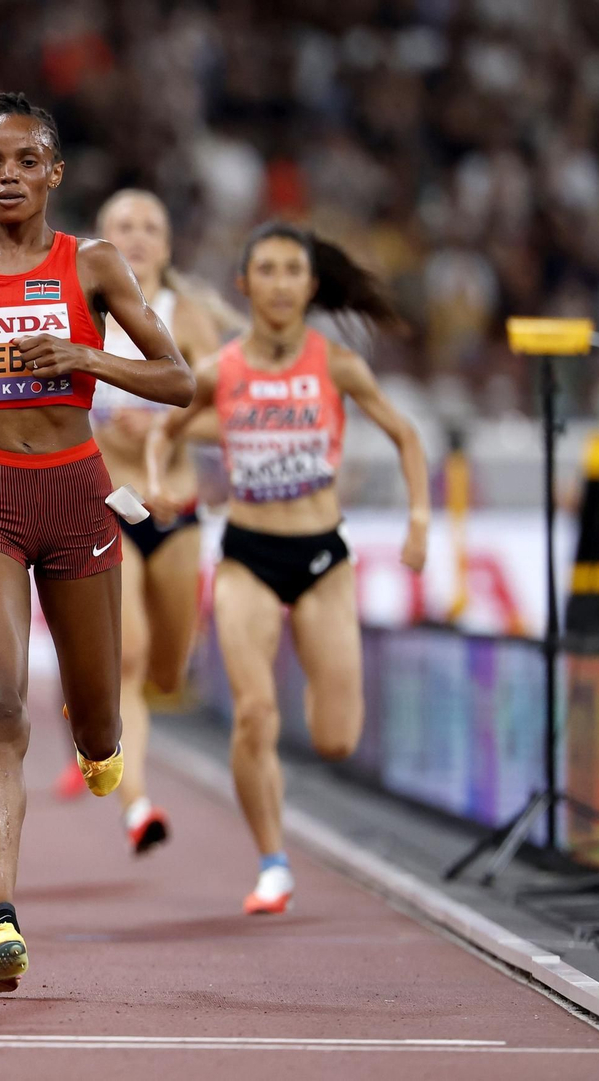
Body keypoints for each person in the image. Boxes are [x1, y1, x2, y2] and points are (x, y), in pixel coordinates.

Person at [0, 92, 194, 992]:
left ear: (54, 173)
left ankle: (101, 748)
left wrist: (85, 357)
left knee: (96, 721)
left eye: (27, 161)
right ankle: (0, 921)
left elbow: (178, 379)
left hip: (76, 498)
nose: (10, 176)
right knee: (2, 706)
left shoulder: (91, 264)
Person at [146, 221, 428, 916]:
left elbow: (405, 434)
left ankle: (317, 686)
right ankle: (272, 861)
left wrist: (420, 520)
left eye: (292, 271)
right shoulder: (221, 369)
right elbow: (163, 429)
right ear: (244, 284)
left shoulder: (337, 364)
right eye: (266, 271)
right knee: (253, 715)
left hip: (322, 557)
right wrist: (156, 482)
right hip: (248, 554)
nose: (278, 284)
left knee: (335, 737)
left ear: (311, 285)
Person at [50, 189, 226, 857]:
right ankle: (138, 805)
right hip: (106, 501)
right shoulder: (76, 311)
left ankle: (92, 709)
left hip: (174, 506)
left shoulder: (187, 318)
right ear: (100, 241)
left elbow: (225, 414)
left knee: (168, 673)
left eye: (152, 226)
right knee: (129, 656)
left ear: (168, 245)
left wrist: (163, 426)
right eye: (124, 226)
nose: (139, 237)